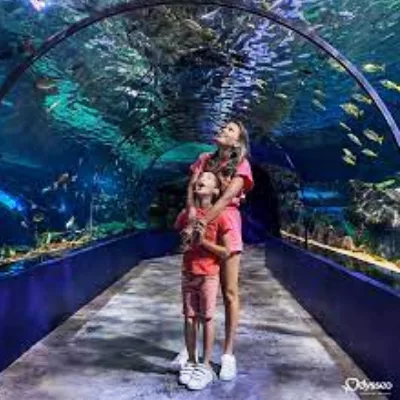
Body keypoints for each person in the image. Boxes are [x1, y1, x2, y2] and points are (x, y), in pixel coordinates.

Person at [172, 120, 254, 381]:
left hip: (226, 219)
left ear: (238, 141)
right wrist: (193, 213)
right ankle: (190, 350)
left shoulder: (242, 164)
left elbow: (228, 196)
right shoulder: (204, 158)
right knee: (195, 283)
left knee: (229, 291)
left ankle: (228, 354)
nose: (223, 129)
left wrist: (204, 222)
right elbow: (191, 187)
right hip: (200, 216)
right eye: (224, 126)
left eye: (230, 129)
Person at [174, 171, 232, 390]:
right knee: (189, 317)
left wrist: (203, 242)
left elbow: (226, 252)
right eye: (200, 178)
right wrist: (186, 238)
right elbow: (180, 245)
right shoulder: (186, 214)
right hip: (188, 273)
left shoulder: (221, 216)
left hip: (208, 275)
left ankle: (206, 366)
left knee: (207, 318)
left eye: (208, 178)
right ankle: (191, 360)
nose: (202, 180)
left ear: (216, 190)